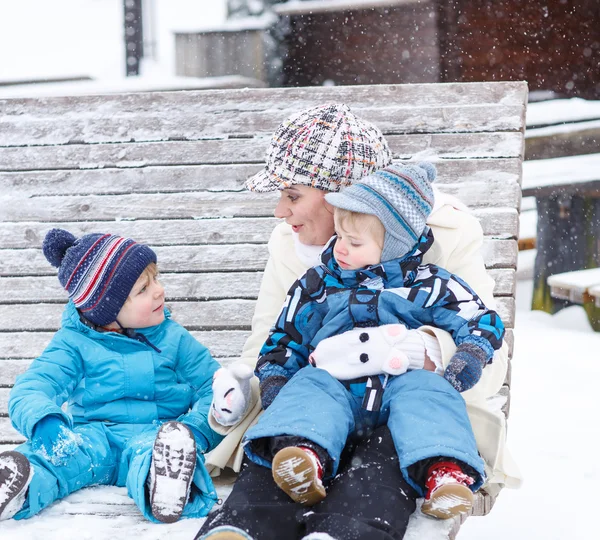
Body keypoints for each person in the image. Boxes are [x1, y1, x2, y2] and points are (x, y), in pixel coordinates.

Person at [199, 104, 520, 540]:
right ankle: (240, 527)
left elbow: (485, 339)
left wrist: (426, 350)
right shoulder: (293, 250)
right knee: (291, 434)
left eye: (292, 195)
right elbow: (272, 343)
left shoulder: (442, 236)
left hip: (408, 414)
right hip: (322, 400)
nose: (279, 211)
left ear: (343, 194)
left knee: (382, 461)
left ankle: (343, 532)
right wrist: (247, 389)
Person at [242, 161, 505, 520]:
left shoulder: (428, 284)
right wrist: (275, 377)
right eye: (338, 237)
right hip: (338, 387)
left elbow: (479, 317)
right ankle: (304, 455)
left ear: (394, 246)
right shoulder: (318, 284)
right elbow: (285, 335)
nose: (340, 250)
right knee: (310, 384)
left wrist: (472, 352)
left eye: (355, 242)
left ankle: (444, 472)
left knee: (431, 395)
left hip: (400, 387)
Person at [0, 229, 226, 524]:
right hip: (96, 437)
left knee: (152, 455)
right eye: (143, 289)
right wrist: (45, 420)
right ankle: (22, 486)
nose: (158, 290)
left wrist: (195, 432)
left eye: (156, 279)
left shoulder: (174, 339)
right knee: (62, 458)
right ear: (107, 311)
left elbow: (216, 389)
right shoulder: (73, 343)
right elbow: (35, 385)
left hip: (157, 434)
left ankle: (167, 481)